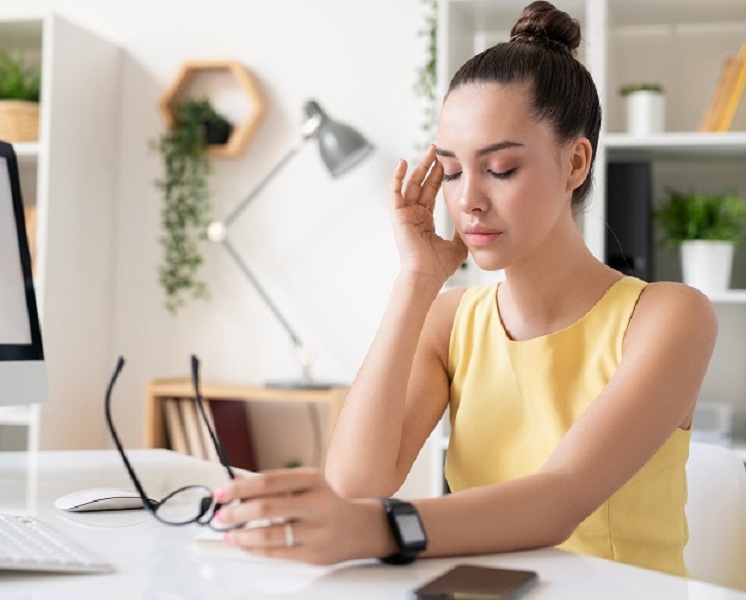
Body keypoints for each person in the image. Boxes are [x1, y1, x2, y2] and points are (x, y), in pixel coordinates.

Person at [213, 0, 717, 577]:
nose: (468, 200)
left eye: (500, 169)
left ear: (576, 163)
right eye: (451, 172)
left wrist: (376, 528)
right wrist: (417, 281)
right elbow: (354, 486)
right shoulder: (452, 321)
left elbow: (560, 499)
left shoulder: (668, 317)